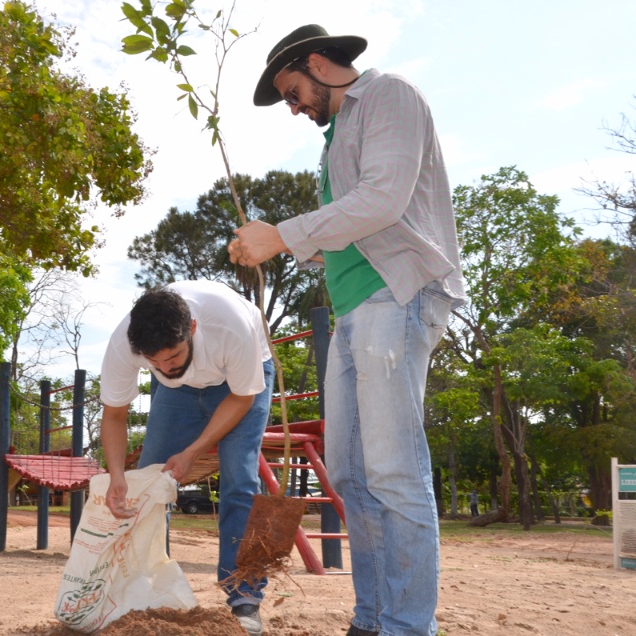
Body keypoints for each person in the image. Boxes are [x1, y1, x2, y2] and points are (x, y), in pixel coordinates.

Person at [228, 24, 467, 636]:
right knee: (353, 477)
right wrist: (280, 244)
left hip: (400, 296)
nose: (293, 106)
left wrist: (283, 234)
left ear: (317, 63)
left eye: (292, 91)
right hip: (354, 310)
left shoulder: (388, 96)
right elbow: (344, 233)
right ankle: (372, 620)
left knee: (393, 472)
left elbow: (384, 198)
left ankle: (409, 626)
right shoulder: (334, 142)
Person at [99, 280, 273, 636]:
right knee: (148, 481)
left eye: (174, 356)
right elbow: (114, 415)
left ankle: (245, 598)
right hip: (176, 396)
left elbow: (242, 399)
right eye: (155, 361)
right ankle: (146, 589)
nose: (167, 366)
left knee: (240, 479)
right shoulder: (124, 343)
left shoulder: (231, 325)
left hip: (237, 383)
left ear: (191, 328)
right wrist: (118, 474)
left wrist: (193, 451)